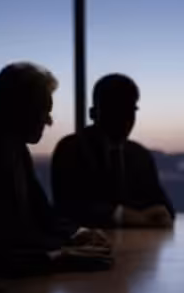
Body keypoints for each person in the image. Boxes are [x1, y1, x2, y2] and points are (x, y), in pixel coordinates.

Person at [0, 62, 113, 272]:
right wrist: (58, 256)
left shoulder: (14, 148)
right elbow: (0, 241)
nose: (49, 121)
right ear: (20, 109)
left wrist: (77, 233)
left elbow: (43, 215)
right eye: (44, 111)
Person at [51, 74, 175, 229]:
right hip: (88, 247)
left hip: (140, 246)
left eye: (131, 110)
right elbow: (70, 208)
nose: (125, 118)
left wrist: (160, 213)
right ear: (93, 113)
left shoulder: (140, 154)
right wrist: (125, 215)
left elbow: (163, 206)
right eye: (116, 108)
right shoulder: (71, 149)